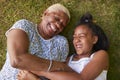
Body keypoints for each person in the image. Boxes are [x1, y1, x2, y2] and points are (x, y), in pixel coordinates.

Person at [17, 13, 109, 80]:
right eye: (74, 37)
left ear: (94, 39)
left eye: (81, 36)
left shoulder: (100, 55)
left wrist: (39, 71)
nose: (76, 40)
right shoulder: (68, 60)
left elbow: (82, 78)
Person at [0, 3, 72, 80]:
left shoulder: (61, 43)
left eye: (62, 25)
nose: (58, 25)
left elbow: (60, 75)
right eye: (56, 19)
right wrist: (56, 65)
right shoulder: (24, 26)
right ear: (45, 13)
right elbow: (17, 60)